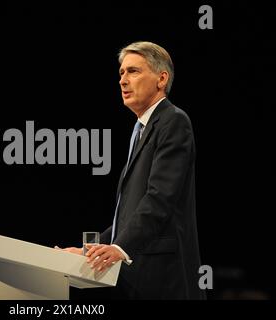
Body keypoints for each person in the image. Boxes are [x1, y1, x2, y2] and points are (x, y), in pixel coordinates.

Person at [57, 41, 205, 299]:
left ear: (161, 78)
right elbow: (127, 214)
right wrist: (88, 251)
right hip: (139, 279)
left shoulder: (173, 121)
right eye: (121, 73)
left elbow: (160, 199)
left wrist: (119, 247)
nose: (123, 81)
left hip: (164, 280)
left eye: (133, 71)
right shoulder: (141, 131)